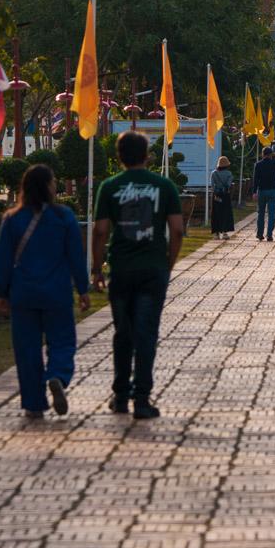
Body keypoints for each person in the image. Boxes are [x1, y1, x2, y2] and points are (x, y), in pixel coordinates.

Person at [92, 132, 184, 419]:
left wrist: (96, 268)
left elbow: (100, 231)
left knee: (123, 333)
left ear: (119, 156)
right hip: (152, 269)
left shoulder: (110, 186)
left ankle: (120, 395)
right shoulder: (164, 186)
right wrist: (168, 263)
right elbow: (178, 230)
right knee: (146, 334)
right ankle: (141, 399)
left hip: (121, 268)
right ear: (147, 155)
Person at [0, 165, 90, 416]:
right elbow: (76, 257)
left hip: (24, 294)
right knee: (63, 341)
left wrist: (1, 293)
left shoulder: (12, 219)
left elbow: (2, 259)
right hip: (56, 292)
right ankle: (57, 374)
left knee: (27, 350)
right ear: (49, 186)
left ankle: (34, 404)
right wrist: (83, 288)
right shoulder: (64, 217)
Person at [253, 142, 275, 240]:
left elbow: (255, 179)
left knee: (261, 214)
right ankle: (269, 235)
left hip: (262, 190)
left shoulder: (258, 164)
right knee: (271, 214)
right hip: (272, 190)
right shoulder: (274, 163)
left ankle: (259, 234)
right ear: (270, 154)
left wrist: (254, 192)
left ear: (262, 154)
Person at [209, 155, 235, 237]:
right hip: (225, 195)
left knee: (216, 213)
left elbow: (212, 185)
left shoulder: (214, 173)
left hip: (216, 196)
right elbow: (228, 184)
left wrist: (216, 191)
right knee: (225, 213)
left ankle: (216, 233)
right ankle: (224, 232)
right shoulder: (229, 173)